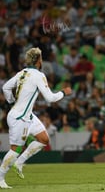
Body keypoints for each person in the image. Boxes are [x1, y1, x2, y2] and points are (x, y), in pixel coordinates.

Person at [0, 47, 72, 189]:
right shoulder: (38, 75)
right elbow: (50, 98)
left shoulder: (22, 73)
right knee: (15, 149)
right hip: (20, 118)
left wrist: (11, 101)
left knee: (44, 139)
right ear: (39, 60)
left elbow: (6, 88)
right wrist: (64, 92)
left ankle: (19, 163)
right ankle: (0, 177)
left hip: (27, 115)